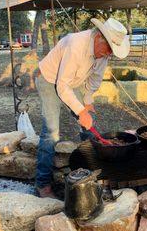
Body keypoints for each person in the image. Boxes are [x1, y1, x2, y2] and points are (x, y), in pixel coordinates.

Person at [35, 17, 130, 197]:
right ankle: (43, 184)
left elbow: (94, 79)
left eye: (113, 50)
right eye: (109, 48)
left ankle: (94, 171)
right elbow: (61, 86)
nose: (110, 53)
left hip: (72, 83)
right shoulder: (76, 44)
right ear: (99, 37)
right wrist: (79, 111)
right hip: (48, 79)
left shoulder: (103, 52)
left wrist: (87, 101)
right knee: (51, 132)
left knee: (88, 124)